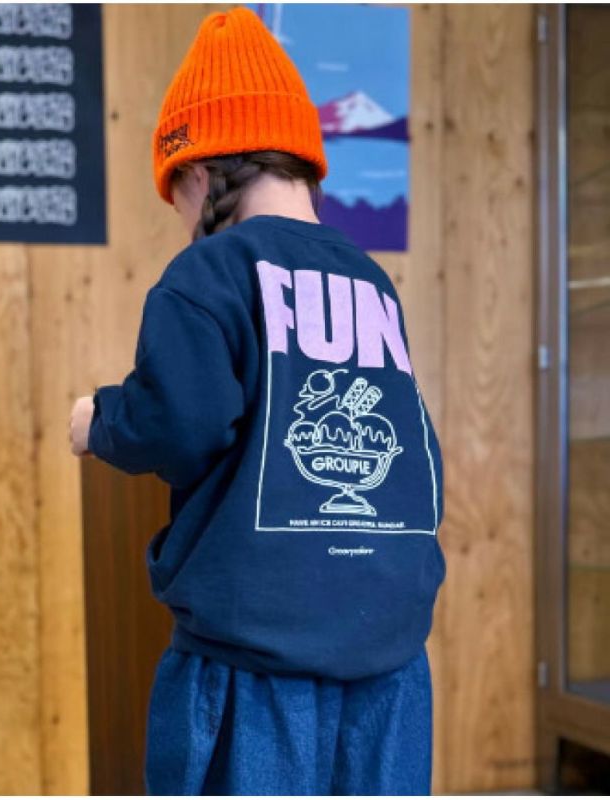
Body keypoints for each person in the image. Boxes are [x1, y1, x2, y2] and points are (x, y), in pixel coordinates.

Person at [69, 6, 447, 795]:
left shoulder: (207, 273)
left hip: (253, 670)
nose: (181, 220)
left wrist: (100, 420)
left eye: (174, 198)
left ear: (198, 174)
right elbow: (416, 446)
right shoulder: (371, 282)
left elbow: (179, 423)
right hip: (389, 667)